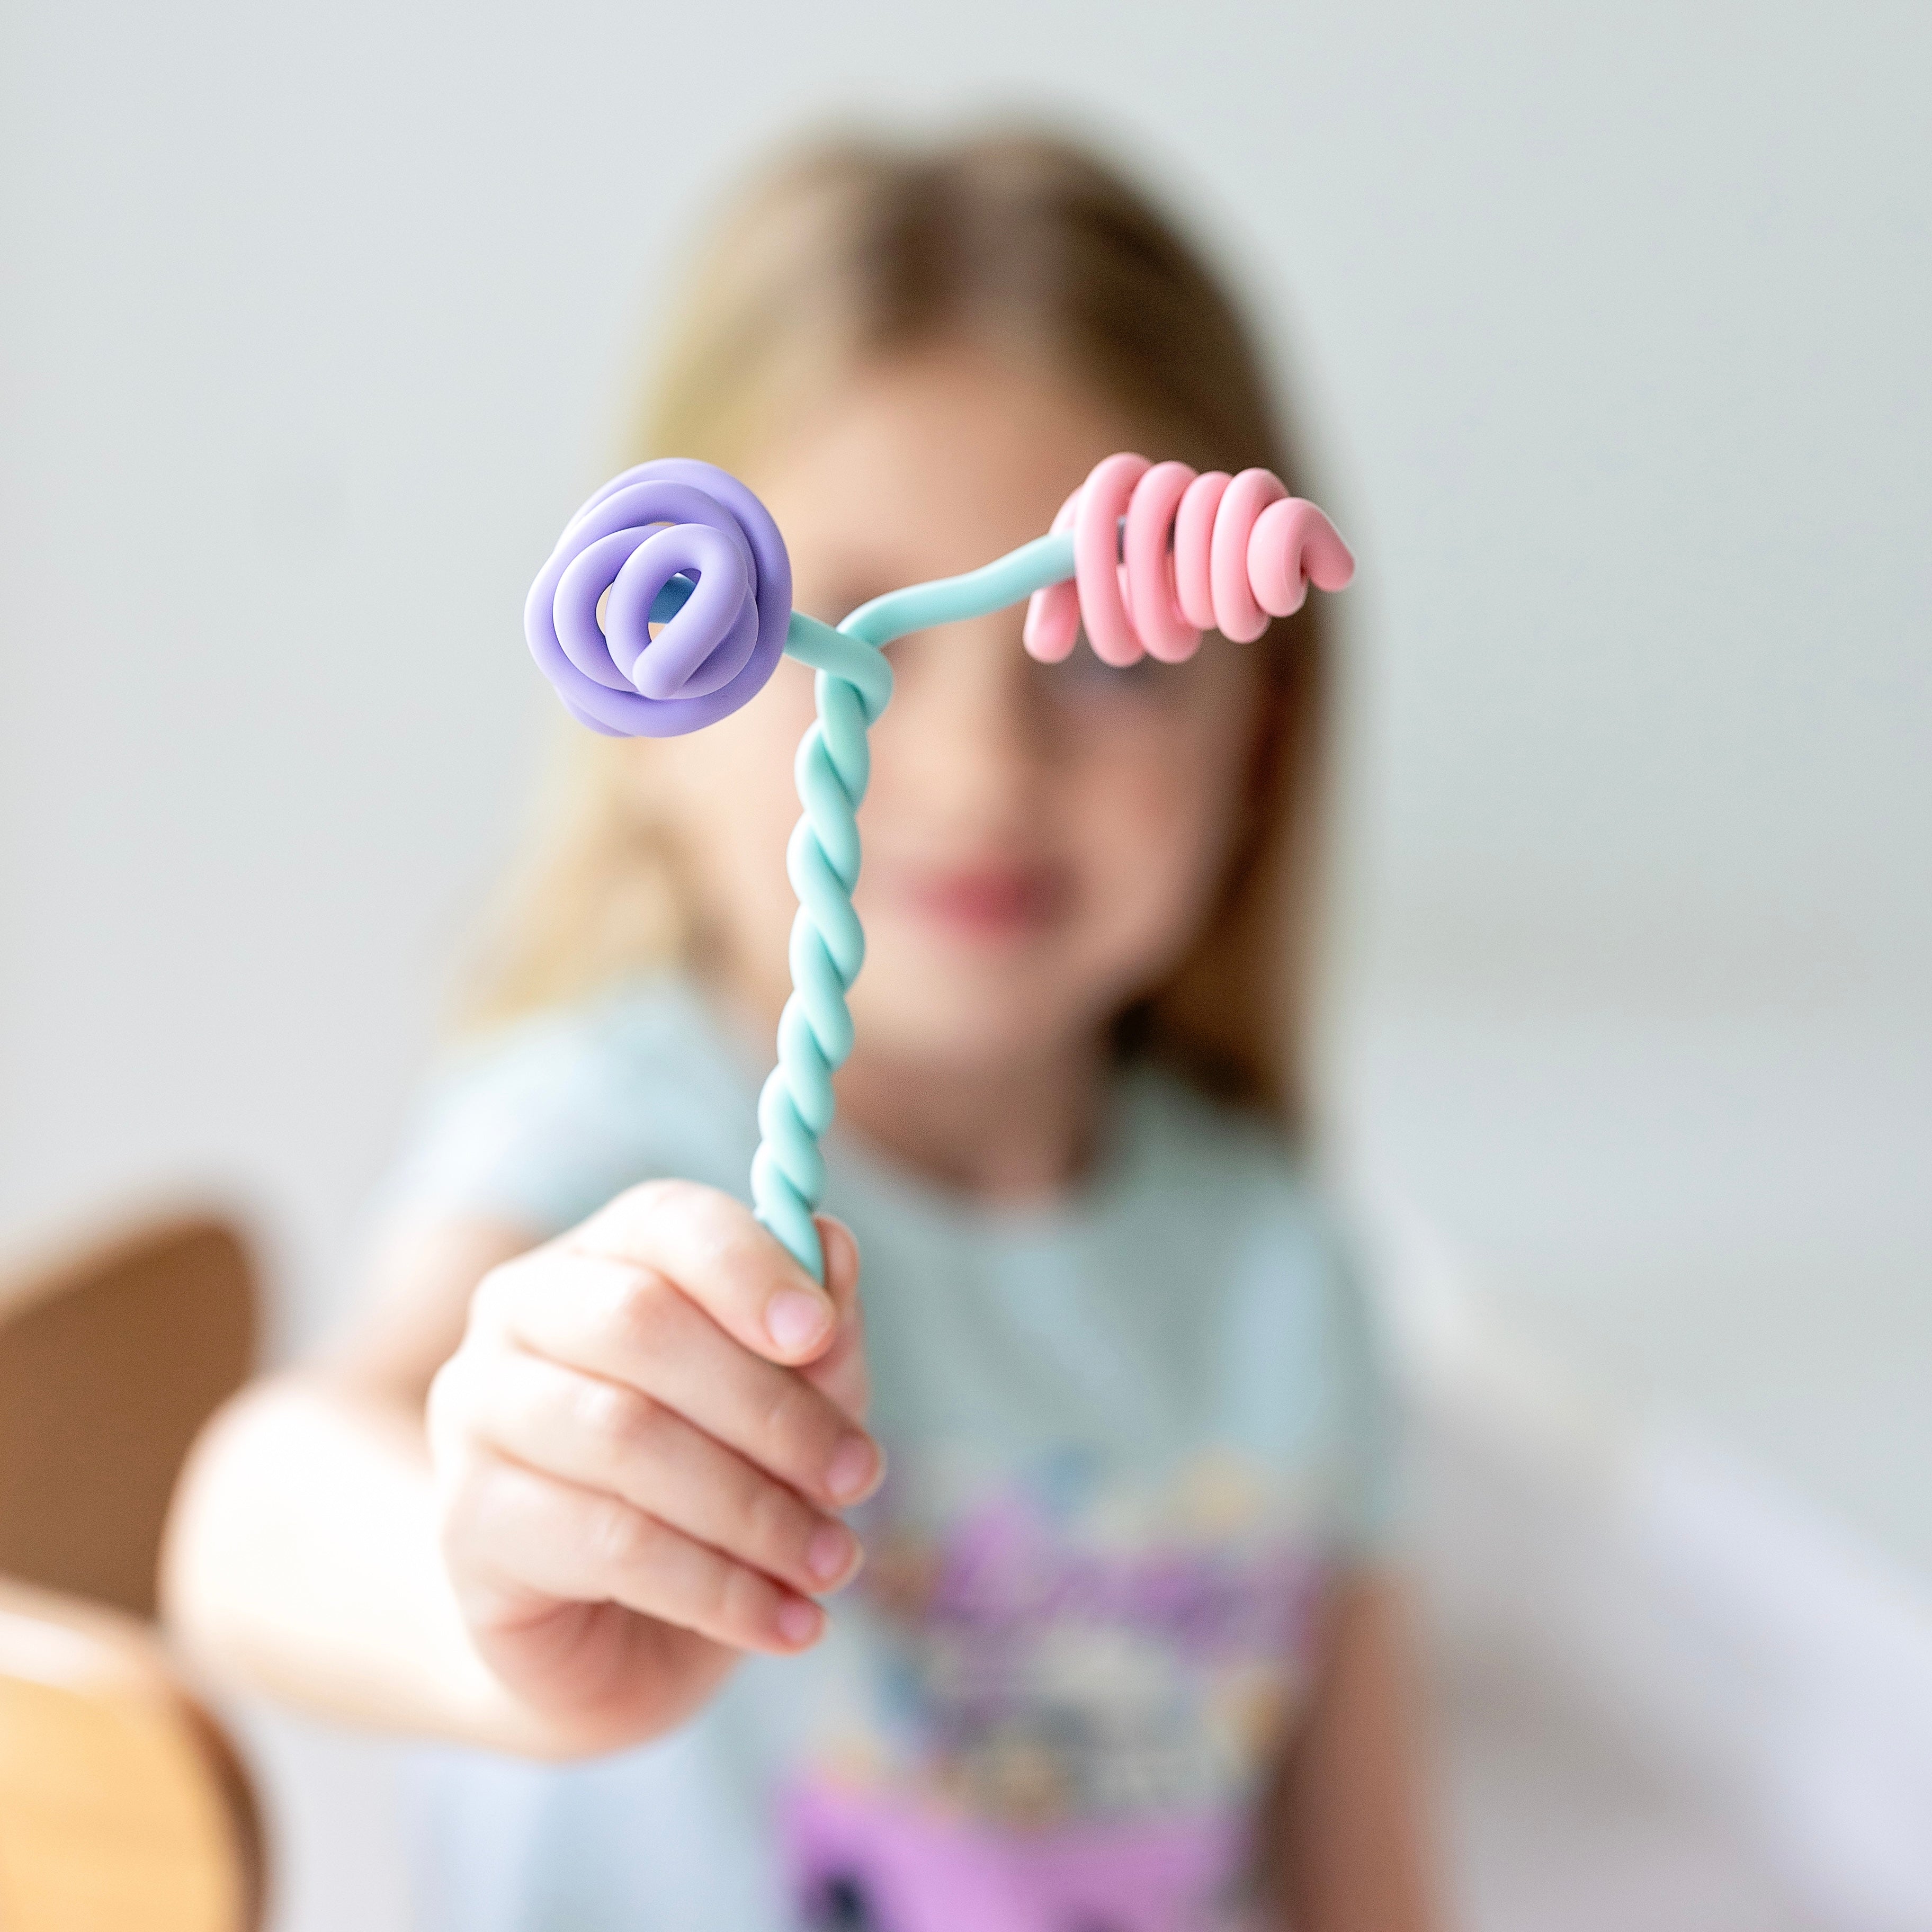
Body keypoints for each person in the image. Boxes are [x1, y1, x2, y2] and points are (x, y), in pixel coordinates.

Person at [164, 127, 1438, 1932]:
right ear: (652, 706)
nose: (986, 763)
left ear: (1263, 729)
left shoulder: (1282, 1272)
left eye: (1115, 658)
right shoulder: (613, 1144)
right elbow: (249, 1527)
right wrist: (495, 1583)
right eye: (847, 629)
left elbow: (1371, 1882)